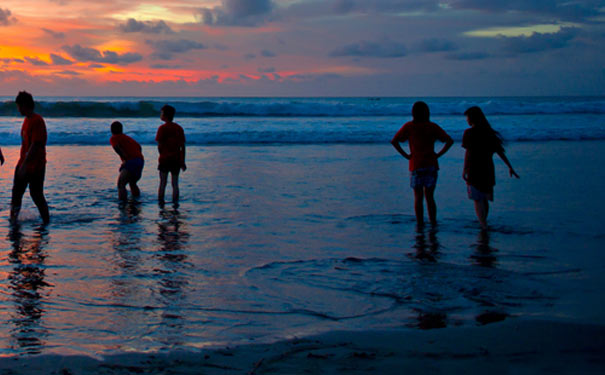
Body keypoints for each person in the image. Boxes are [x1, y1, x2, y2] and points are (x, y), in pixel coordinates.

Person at [391, 101, 454, 225]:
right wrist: (438, 154)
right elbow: (449, 141)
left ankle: (420, 223)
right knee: (430, 197)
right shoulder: (431, 126)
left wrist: (407, 156)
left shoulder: (409, 126)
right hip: (431, 164)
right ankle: (432, 222)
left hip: (416, 164)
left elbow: (394, 141)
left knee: (418, 198)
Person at [462, 106, 519, 230]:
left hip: (474, 168)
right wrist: (510, 166)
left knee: (477, 199)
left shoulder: (469, 133)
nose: (467, 120)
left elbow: (468, 152)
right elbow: (499, 152)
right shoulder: (489, 132)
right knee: (484, 199)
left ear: (472, 118)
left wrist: (465, 169)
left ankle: (483, 224)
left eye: (467, 118)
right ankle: (484, 222)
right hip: (487, 169)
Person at [10, 91, 50, 224]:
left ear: (25, 105)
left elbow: (36, 144)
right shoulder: (27, 120)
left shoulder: (37, 120)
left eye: (19, 106)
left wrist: (25, 165)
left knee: (36, 194)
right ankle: (13, 220)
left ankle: (46, 221)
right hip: (24, 162)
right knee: (16, 193)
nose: (18, 109)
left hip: (35, 165)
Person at [155, 105, 186, 204]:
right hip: (176, 159)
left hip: (165, 159)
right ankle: (175, 203)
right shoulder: (179, 128)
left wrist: (161, 156)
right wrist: (183, 161)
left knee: (163, 183)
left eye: (161, 113)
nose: (160, 115)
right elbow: (183, 147)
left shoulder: (162, 128)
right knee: (175, 184)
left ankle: (161, 203)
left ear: (165, 115)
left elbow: (159, 145)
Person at [110, 121, 144, 201]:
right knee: (132, 183)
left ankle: (122, 204)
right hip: (140, 160)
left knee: (121, 184)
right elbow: (139, 147)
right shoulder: (127, 138)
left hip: (131, 161)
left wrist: (125, 160)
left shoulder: (114, 138)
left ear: (112, 130)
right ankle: (136, 200)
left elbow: (117, 148)